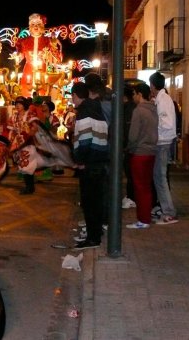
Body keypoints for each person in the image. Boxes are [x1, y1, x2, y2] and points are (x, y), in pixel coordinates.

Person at [70, 82, 109, 250]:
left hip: (89, 164)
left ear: (76, 96)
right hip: (100, 160)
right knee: (96, 201)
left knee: (89, 202)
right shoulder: (97, 110)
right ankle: (95, 232)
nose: (72, 101)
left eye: (72, 97)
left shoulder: (84, 113)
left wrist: (80, 161)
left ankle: (93, 239)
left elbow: (84, 140)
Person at [125, 82, 158, 229]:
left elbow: (133, 136)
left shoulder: (138, 111)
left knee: (140, 188)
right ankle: (146, 217)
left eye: (134, 94)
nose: (133, 97)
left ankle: (143, 220)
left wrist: (129, 148)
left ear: (139, 94)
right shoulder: (154, 109)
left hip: (139, 153)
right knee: (147, 187)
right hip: (151, 152)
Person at [149, 71, 178, 224]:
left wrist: (155, 125)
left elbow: (167, 123)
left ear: (153, 85)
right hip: (162, 142)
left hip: (163, 143)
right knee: (158, 177)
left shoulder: (163, 100)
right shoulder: (162, 99)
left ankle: (169, 212)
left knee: (160, 177)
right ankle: (165, 209)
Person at [12, 13, 62, 97]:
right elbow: (20, 55)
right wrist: (17, 57)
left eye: (38, 24)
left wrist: (53, 50)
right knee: (26, 90)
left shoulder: (48, 41)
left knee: (43, 90)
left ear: (42, 26)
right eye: (33, 24)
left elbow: (56, 56)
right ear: (30, 26)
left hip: (43, 69)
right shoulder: (23, 41)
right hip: (28, 69)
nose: (35, 26)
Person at [122, 86, 137, 209]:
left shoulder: (128, 109)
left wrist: (125, 145)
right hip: (132, 146)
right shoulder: (133, 107)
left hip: (130, 147)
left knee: (130, 174)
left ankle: (131, 197)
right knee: (131, 174)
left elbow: (127, 129)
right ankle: (131, 196)